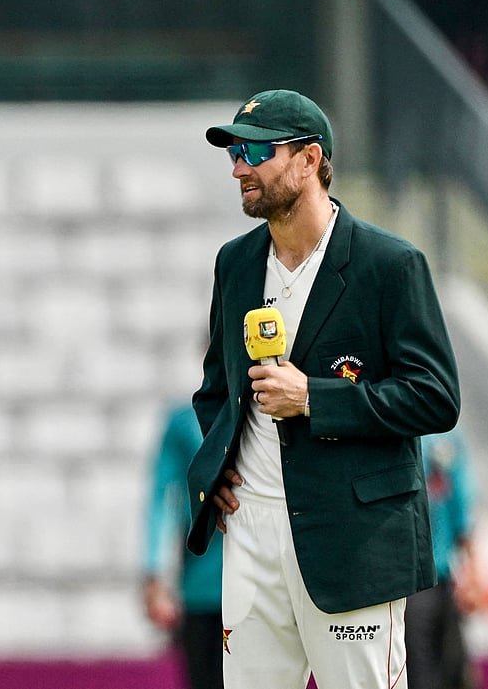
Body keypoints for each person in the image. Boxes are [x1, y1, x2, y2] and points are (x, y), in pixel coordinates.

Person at [184, 90, 461, 689]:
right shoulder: (234, 263)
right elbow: (215, 389)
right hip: (252, 533)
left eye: (255, 150)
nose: (238, 166)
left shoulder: (390, 264)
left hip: (353, 537)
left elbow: (436, 395)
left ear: (310, 160)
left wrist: (314, 397)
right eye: (233, 151)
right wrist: (221, 466)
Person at [143, 401, 224, 689]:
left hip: (272, 587)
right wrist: (155, 574)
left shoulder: (282, 408)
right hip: (204, 589)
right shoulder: (186, 422)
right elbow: (163, 497)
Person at [406, 429, 477, 689]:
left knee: (454, 670)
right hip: (405, 584)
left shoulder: (445, 437)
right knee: (419, 673)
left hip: (444, 577)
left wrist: (470, 574)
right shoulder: (384, 426)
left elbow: (462, 510)